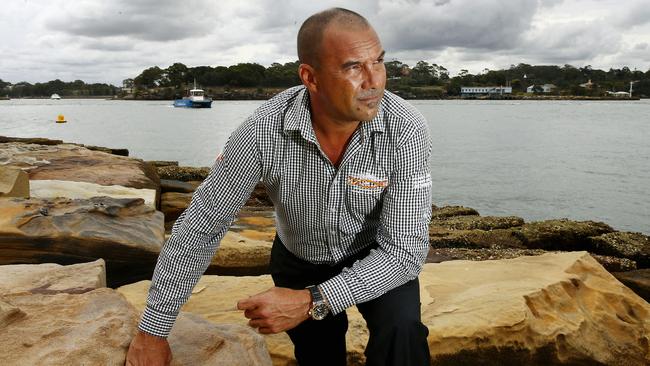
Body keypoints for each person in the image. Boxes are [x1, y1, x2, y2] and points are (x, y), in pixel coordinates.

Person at [126, 7, 432, 366]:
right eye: (353, 67)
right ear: (311, 77)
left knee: (403, 331)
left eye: (378, 62)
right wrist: (153, 332)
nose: (374, 81)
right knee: (318, 355)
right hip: (299, 259)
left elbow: (404, 251)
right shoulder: (262, 132)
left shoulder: (406, 128)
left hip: (376, 253)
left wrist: (312, 300)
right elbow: (201, 227)